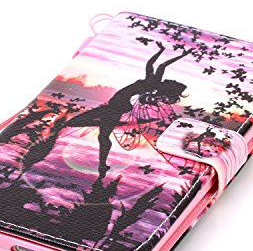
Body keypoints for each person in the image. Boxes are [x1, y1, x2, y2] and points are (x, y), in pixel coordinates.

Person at [64, 41, 188, 177]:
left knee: (97, 133)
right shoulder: (153, 80)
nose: (171, 80)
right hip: (114, 106)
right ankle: (105, 158)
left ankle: (103, 162)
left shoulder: (153, 85)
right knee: (99, 133)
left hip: (115, 108)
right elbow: (155, 64)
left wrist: (169, 52)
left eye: (173, 82)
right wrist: (164, 51)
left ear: (169, 87)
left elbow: (157, 66)